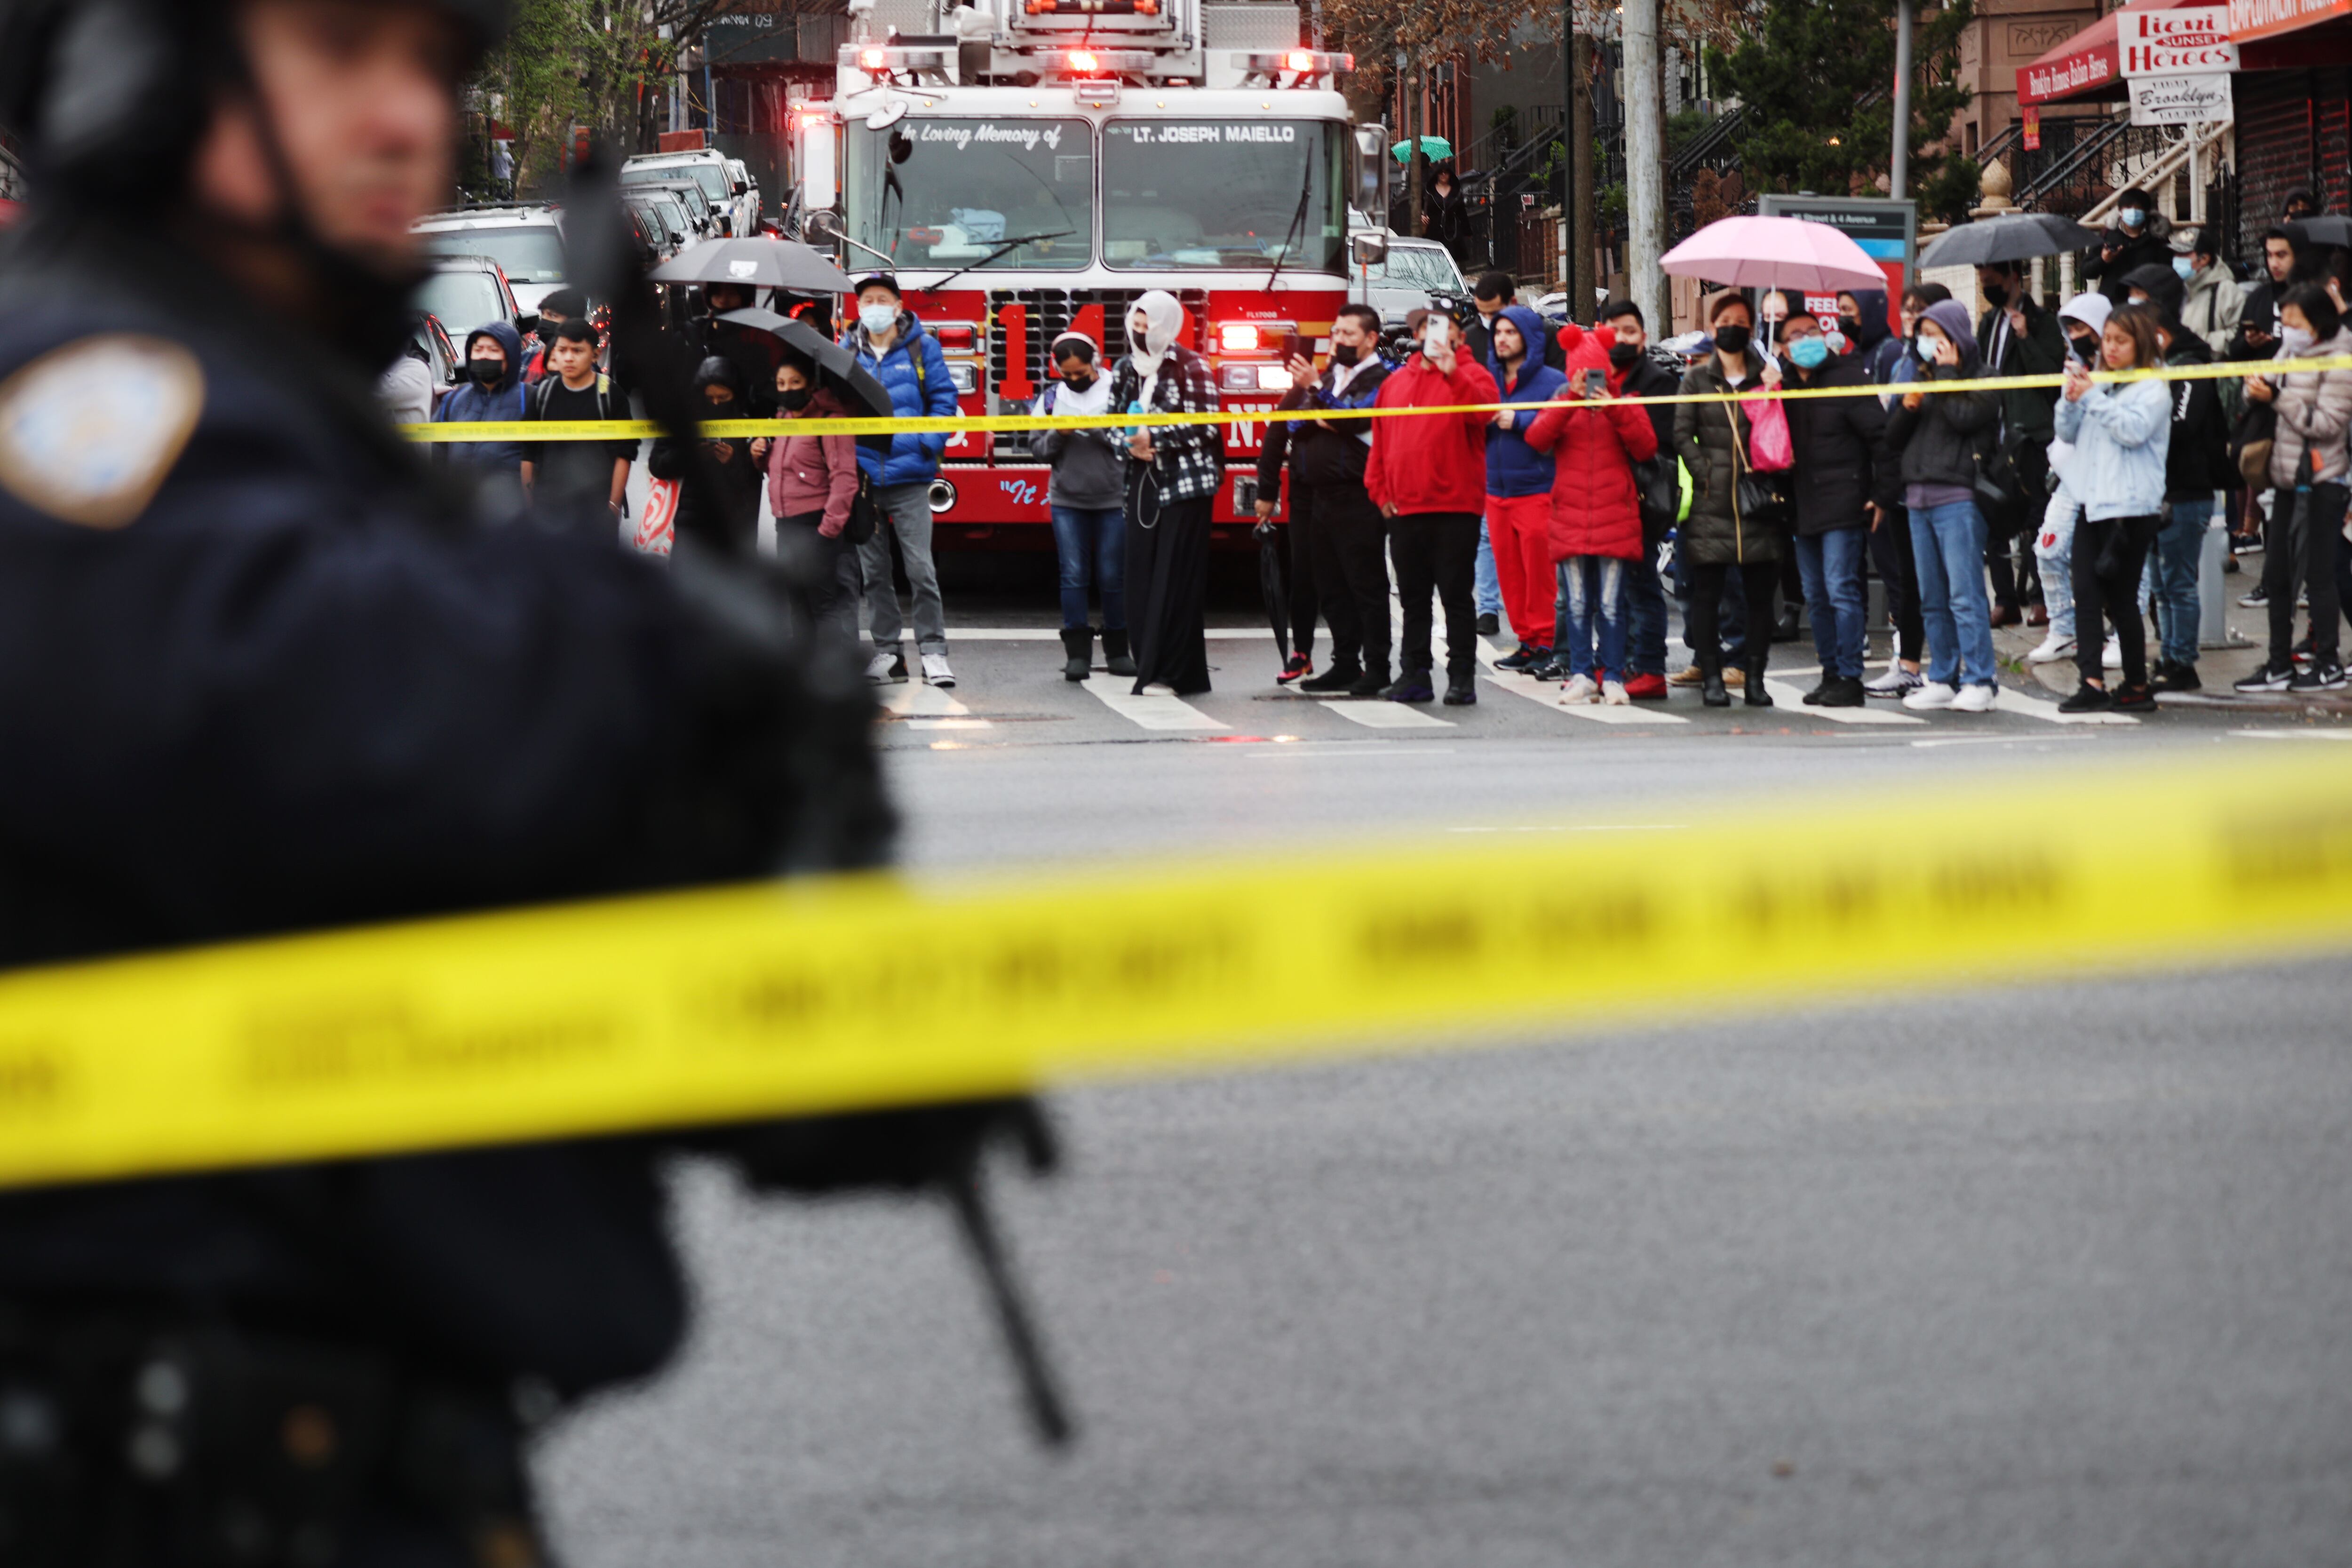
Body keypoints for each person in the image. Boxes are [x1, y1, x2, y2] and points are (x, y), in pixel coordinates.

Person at [0, 1, 1038, 1561]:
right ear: (132, 86)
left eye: (430, 67)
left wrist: (766, 1019)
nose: (410, 117)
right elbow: (302, 701)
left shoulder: (283, 397)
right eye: (342, 54)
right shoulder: (84, 390)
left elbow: (368, 915)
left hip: (346, 1448)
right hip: (160, 1471)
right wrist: (655, 647)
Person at [1258, 304, 1394, 697]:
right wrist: (1323, 411)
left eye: (1349, 335)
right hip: (1317, 495)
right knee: (1331, 586)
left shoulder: (1379, 379)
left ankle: (1378, 666)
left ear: (1371, 339)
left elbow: (1356, 421)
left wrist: (1321, 397)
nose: (1339, 340)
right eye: (1336, 333)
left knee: (1364, 584)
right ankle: (1345, 662)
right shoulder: (1331, 374)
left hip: (1356, 494)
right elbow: (1294, 422)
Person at [1366, 305, 1499, 705]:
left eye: (1441, 329)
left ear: (1459, 336)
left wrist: (1452, 371)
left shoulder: (1474, 375)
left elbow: (1484, 412)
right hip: (1405, 509)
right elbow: (1380, 443)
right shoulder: (1396, 383)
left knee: (1456, 597)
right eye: (1424, 329)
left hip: (1455, 506)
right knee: (1413, 599)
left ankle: (1462, 676)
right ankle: (1415, 673)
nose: (1432, 335)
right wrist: (1380, 492)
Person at [1524, 322, 1656, 704]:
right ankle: (1581, 672)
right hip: (1571, 516)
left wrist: (1613, 408)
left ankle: (1612, 674)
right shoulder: (1561, 401)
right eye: (1582, 372)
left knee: (1614, 604)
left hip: (1615, 515)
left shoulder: (1626, 402)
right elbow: (1537, 439)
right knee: (1579, 603)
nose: (1589, 378)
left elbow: (1645, 447)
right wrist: (1570, 401)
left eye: (1595, 370)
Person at [2052, 303, 2172, 713]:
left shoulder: (2153, 386)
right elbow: (2066, 432)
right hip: (2092, 499)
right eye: (2109, 340)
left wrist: (2093, 399)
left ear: (2140, 342)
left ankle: (2137, 683)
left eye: (2122, 341)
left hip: (2132, 507)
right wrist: (2071, 399)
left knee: (2122, 598)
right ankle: (2091, 681)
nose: (2113, 348)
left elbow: (2133, 431)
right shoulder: (2099, 381)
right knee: (2084, 591)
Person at [2234, 283, 2352, 693]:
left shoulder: (2341, 358)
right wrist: (2256, 390)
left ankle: (2328, 663)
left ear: (2317, 322)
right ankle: (2278, 663)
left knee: (2320, 575)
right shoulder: (2290, 351)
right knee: (2277, 574)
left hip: (2322, 481)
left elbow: (2328, 425)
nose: (2287, 330)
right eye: (2284, 322)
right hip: (2284, 478)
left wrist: (2278, 397)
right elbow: (2266, 386)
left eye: (2294, 322)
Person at [844, 272, 959, 687]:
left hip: (911, 477)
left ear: (897, 305)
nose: (873, 306)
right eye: (866, 299)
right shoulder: (847, 349)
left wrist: (927, 444)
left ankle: (933, 652)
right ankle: (889, 654)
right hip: (864, 480)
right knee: (874, 574)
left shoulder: (922, 346)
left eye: (881, 298)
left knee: (920, 570)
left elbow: (945, 400)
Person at [1886, 299, 2001, 710]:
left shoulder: (1984, 377)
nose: (1926, 342)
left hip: (1959, 495)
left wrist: (1948, 375)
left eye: (1935, 334)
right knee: (1932, 594)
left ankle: (1981, 679)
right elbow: (1893, 438)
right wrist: (1910, 405)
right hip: (1917, 495)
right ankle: (1944, 676)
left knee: (1964, 592)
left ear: (1956, 337)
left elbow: (1965, 419)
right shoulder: (1922, 377)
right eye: (1923, 334)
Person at [1671, 292, 1782, 708]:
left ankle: (1754, 678)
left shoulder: (1767, 375)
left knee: (1757, 599)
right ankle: (1713, 677)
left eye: (1741, 320)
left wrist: (1776, 391)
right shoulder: (1697, 379)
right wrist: (1706, 473)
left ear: (1752, 330)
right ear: (1714, 328)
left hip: (1758, 501)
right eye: (1725, 320)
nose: (1733, 326)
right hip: (1710, 505)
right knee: (1707, 595)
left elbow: (1781, 433)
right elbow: (1682, 433)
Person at [1779, 306, 1893, 707]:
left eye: (1812, 330)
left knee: (1842, 587)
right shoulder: (1782, 387)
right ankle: (1830, 672)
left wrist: (1881, 494)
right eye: (1795, 335)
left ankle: (1850, 675)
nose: (1806, 339)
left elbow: (1882, 439)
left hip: (1844, 500)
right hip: (1802, 505)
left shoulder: (1847, 376)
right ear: (1783, 348)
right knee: (1816, 593)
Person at [1112, 289, 1223, 696]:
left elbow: (1205, 424)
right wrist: (1129, 442)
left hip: (1186, 485)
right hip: (1139, 483)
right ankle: (1151, 664)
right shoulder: (1125, 367)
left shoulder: (1193, 366)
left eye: (1149, 327)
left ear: (1169, 327)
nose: (1141, 333)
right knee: (1140, 580)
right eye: (1136, 325)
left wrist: (1153, 438)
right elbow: (1109, 419)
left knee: (1175, 581)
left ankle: (1173, 673)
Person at [2138, 279, 2230, 693]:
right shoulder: (2160, 369)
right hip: (2158, 491)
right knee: (2161, 584)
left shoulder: (2190, 366)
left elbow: (2184, 424)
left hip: (2186, 491)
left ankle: (2183, 662)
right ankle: (2170, 654)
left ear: (2160, 335)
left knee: (2178, 583)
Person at [1033, 331, 1133, 681]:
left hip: (1112, 497)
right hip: (1067, 500)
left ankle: (1119, 650)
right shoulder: (1050, 398)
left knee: (1112, 575)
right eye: (1068, 374)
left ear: (1096, 362)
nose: (1074, 379)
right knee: (1073, 575)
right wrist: (1058, 434)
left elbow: (1134, 443)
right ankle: (1077, 654)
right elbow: (1038, 450)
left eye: (1081, 372)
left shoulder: (1118, 392)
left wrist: (1102, 430)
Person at [1974, 257, 2067, 628]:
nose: (1988, 286)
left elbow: (2049, 376)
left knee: (2035, 516)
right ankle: (2005, 599)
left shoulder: (2042, 322)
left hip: (2030, 433)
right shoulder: (1988, 322)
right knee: (1992, 513)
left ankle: (2040, 595)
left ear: (2014, 278)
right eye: (1983, 280)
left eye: (1993, 279)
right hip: (1993, 430)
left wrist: (2026, 336)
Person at [1599, 296, 1681, 700]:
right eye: (1613, 331)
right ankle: (1616, 661)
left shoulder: (1659, 383)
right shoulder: (1591, 378)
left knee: (1641, 587)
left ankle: (1649, 667)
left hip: (1640, 500)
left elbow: (1659, 446)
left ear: (1644, 337)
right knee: (1606, 590)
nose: (1621, 339)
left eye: (1629, 331)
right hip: (1598, 498)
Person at [2027, 293, 2114, 669]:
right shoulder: (2074, 368)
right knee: (2047, 549)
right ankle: (2063, 629)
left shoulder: (2124, 368)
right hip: (2072, 477)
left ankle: (2119, 635)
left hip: (2112, 480)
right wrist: (2071, 395)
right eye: (2071, 329)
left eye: (2082, 328)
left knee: (2119, 565)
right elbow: (2065, 428)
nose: (2076, 336)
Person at [1480, 303, 1568, 673]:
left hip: (1538, 489)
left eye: (1510, 332)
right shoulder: (1486, 380)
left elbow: (1560, 428)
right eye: (1498, 332)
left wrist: (1518, 421)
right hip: (1495, 490)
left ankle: (1546, 642)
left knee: (1540, 574)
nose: (1502, 339)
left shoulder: (1552, 381)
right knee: (1510, 574)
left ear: (1529, 338)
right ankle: (1527, 641)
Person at [766, 349, 864, 644]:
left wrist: (827, 532)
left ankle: (836, 678)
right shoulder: (782, 417)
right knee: (797, 603)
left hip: (816, 526)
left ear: (811, 385)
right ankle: (806, 676)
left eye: (794, 382)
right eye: (781, 384)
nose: (787, 390)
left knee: (823, 606)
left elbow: (845, 480)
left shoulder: (830, 420)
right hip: (786, 525)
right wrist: (762, 453)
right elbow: (785, 468)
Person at [521, 315, 634, 533]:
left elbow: (625, 454)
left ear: (595, 355)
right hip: (549, 509)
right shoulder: (543, 395)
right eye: (562, 351)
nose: (569, 358)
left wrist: (613, 506)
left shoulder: (611, 395)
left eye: (577, 351)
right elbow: (529, 454)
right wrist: (529, 505)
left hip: (597, 510)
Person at [648, 354, 767, 552]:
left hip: (734, 528)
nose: (716, 404)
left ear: (735, 395)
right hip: (690, 523)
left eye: (723, 398)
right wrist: (689, 455)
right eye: (710, 398)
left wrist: (732, 462)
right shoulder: (684, 421)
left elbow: (754, 485)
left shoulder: (747, 424)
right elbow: (657, 466)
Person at [429, 318, 525, 486]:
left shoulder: (530, 399)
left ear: (510, 356)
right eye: (478, 349)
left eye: (494, 350)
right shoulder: (454, 400)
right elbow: (438, 456)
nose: (484, 356)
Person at [2082, 187, 2172, 304]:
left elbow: (2168, 274)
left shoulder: (2158, 239)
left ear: (2146, 212)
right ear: (2120, 211)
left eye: (2138, 209)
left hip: (2146, 305)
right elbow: (2087, 271)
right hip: (2113, 305)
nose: (2133, 212)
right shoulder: (2107, 236)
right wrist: (2104, 260)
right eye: (2128, 208)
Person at [2178, 226, 2246, 358]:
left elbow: (2239, 337)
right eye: (2176, 254)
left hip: (2212, 371)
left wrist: (2200, 343)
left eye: (2184, 255)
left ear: (2204, 259)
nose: (2177, 259)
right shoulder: (2179, 288)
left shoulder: (2226, 290)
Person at [520, 284, 588, 383]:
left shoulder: (582, 367)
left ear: (572, 322)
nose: (544, 320)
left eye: (552, 316)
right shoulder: (527, 357)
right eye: (543, 314)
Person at [1422, 159, 1468, 259]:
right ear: (1437, 174)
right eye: (1441, 172)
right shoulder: (1429, 191)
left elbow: (1462, 212)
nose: (1443, 174)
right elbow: (1420, 207)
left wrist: (1467, 231)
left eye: (1446, 172)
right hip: (1432, 231)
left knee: (1449, 259)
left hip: (1451, 233)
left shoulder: (1456, 192)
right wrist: (1421, 217)